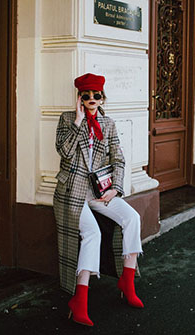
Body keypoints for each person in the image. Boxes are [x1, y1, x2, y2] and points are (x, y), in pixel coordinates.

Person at [53, 73, 144, 327]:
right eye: (86, 95)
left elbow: (118, 159)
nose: (92, 99)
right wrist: (78, 121)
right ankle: (79, 299)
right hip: (72, 192)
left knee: (132, 218)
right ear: (79, 97)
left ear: (103, 97)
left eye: (96, 95)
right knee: (93, 233)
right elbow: (64, 152)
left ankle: (127, 282)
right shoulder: (67, 119)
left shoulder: (108, 123)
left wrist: (115, 188)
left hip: (99, 191)